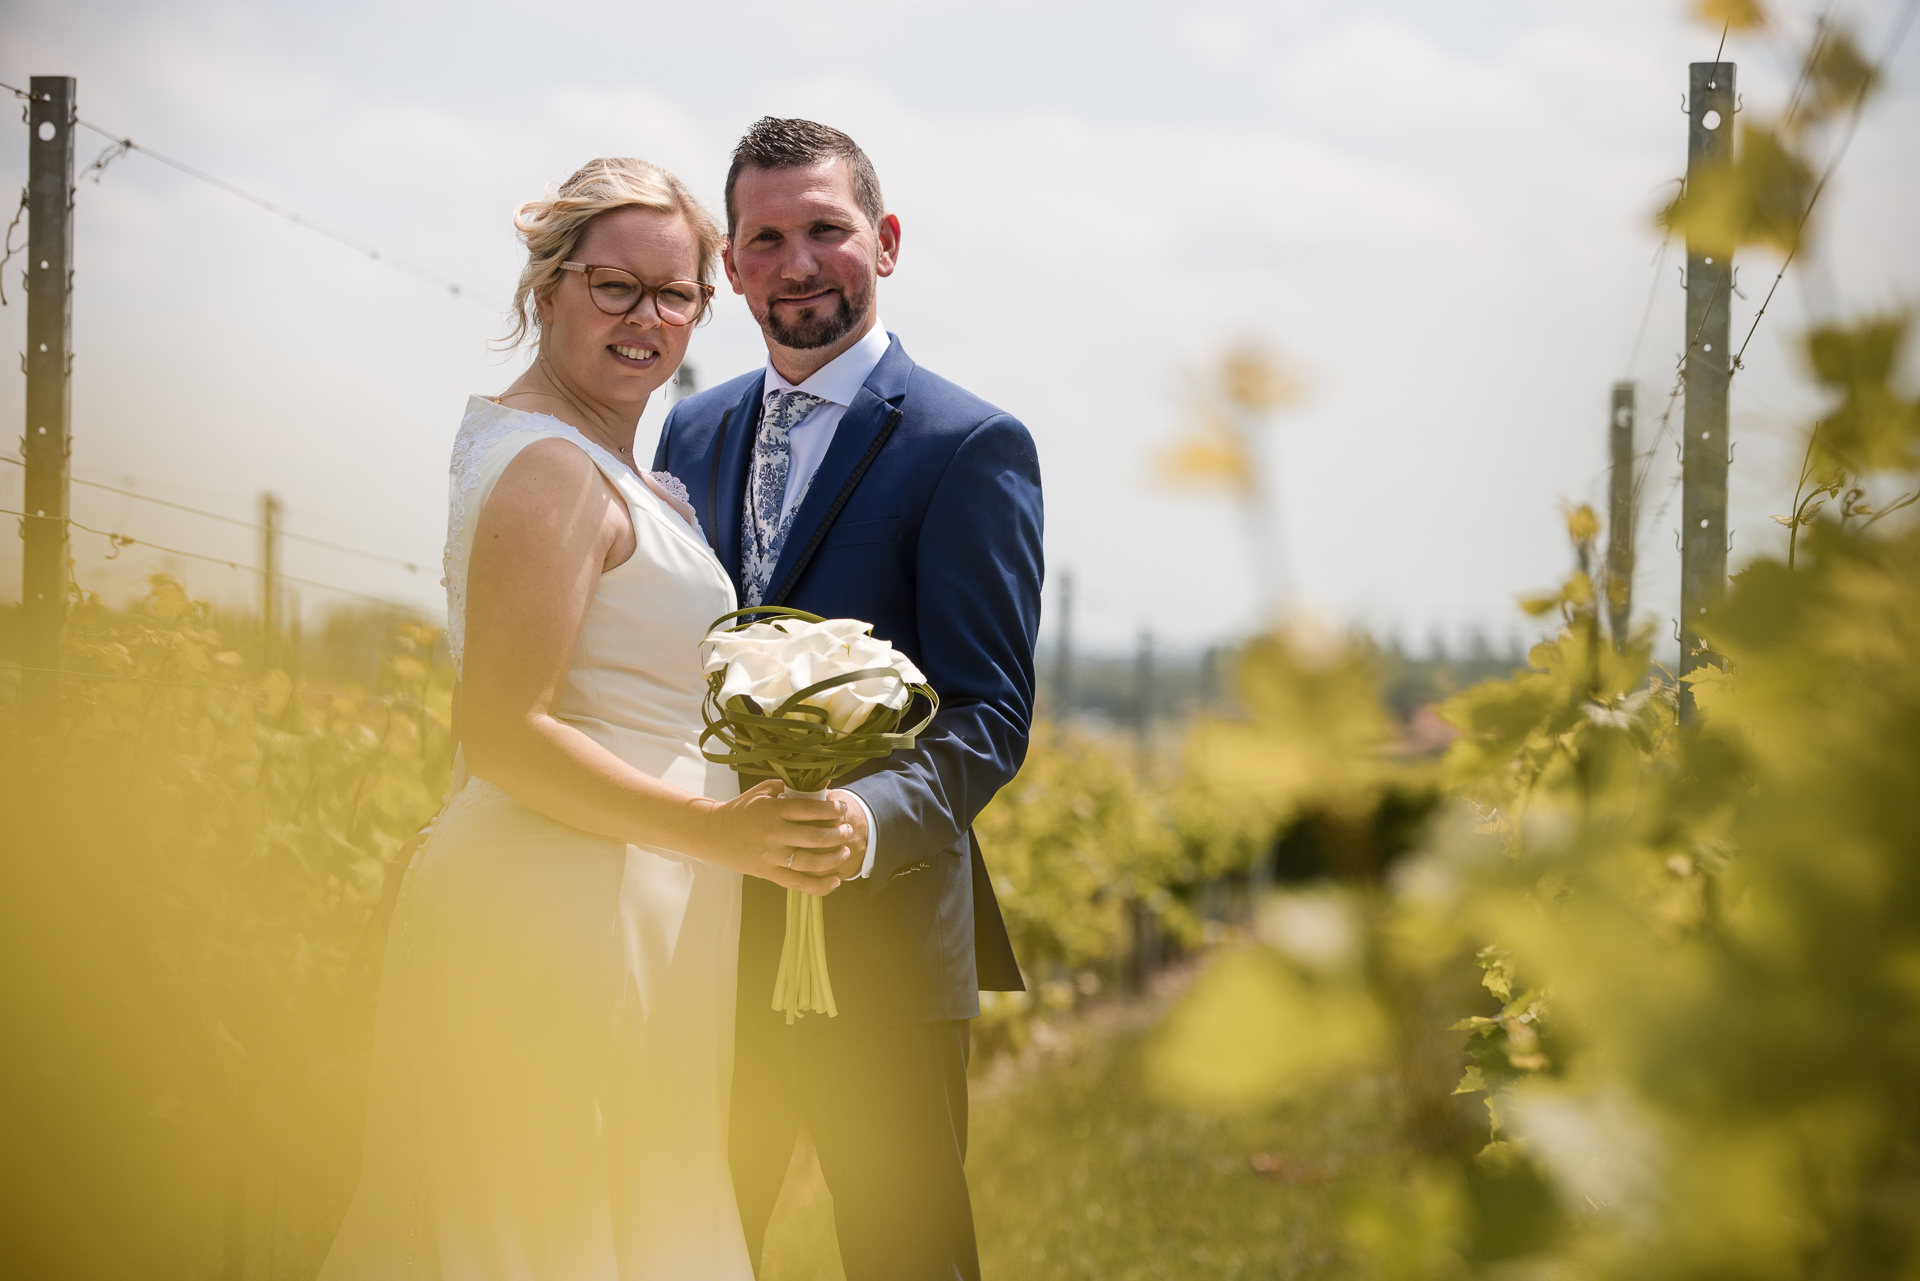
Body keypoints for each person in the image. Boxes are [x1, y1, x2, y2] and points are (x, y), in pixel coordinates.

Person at [320, 157, 860, 1280]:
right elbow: (504, 735)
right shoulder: (555, 474)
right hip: (558, 913)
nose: (648, 320)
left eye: (677, 295)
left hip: (621, 906)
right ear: (548, 288)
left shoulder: (598, 464)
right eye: (617, 287)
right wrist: (718, 834)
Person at [654, 117, 1044, 1281]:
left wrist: (863, 823)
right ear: (731, 267)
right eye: (766, 239)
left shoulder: (970, 443)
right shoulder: (692, 426)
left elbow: (989, 714)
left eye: (826, 230)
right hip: (706, 937)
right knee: (698, 1242)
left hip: (882, 947)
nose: (799, 263)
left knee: (905, 1253)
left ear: (883, 241)